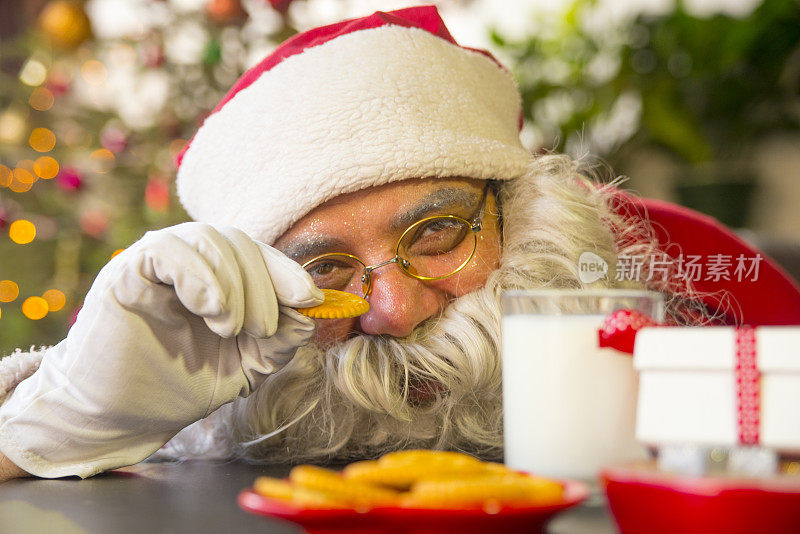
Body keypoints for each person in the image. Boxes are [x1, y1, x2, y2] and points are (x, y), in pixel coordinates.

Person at [0, 6, 796, 483]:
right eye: (325, 270)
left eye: (439, 231)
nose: (397, 310)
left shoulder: (697, 281)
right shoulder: (171, 351)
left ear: (520, 213)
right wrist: (58, 424)